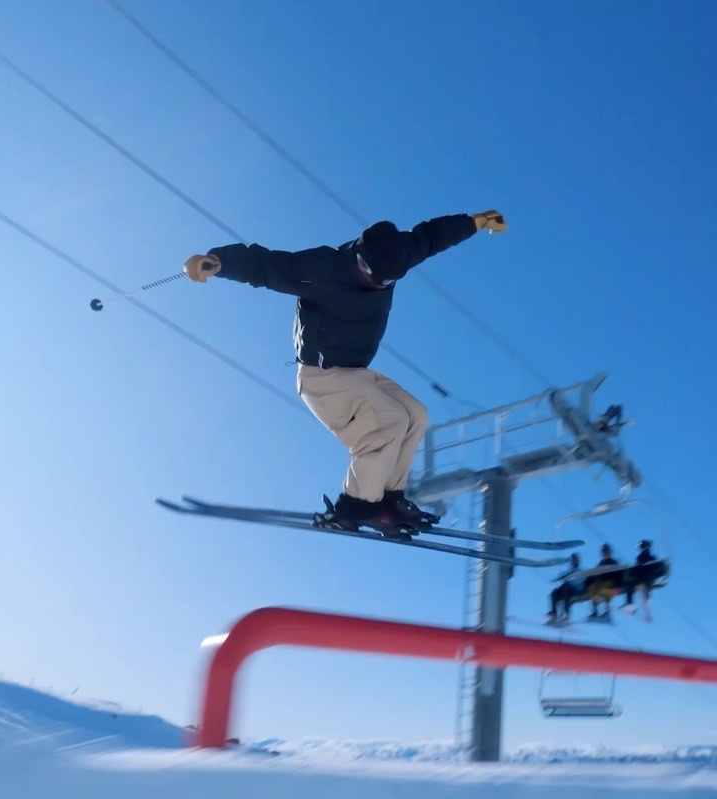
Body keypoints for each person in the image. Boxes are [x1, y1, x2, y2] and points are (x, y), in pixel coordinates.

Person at [184, 209, 508, 534]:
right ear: (360, 259)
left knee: (416, 415)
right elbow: (266, 266)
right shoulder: (321, 268)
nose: (377, 285)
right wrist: (219, 261)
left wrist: (478, 221)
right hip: (321, 378)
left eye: (386, 282)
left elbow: (433, 236)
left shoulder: (400, 253)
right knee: (389, 422)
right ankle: (356, 506)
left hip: (355, 374)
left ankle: (389, 498)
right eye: (372, 276)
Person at [621, 539, 659, 613]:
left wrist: (631, 572)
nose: (640, 548)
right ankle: (632, 604)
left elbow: (640, 568)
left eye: (641, 546)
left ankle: (630, 604)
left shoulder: (643, 556)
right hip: (646, 579)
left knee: (629, 584)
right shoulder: (651, 557)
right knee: (630, 584)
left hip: (643, 579)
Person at [586, 543, 620, 620]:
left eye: (606, 551)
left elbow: (618, 575)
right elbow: (594, 574)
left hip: (613, 589)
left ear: (609, 552)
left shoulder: (613, 562)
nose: (604, 553)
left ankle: (607, 612)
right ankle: (595, 612)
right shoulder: (600, 564)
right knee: (593, 588)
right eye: (603, 552)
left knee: (603, 588)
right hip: (601, 588)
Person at [547, 553, 584, 623]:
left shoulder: (580, 570)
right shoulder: (569, 571)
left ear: (577, 561)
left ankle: (567, 616)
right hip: (566, 589)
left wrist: (569, 580)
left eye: (574, 559)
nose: (573, 561)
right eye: (572, 560)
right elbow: (562, 577)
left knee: (566, 591)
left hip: (575, 590)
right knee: (554, 593)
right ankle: (554, 615)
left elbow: (579, 582)